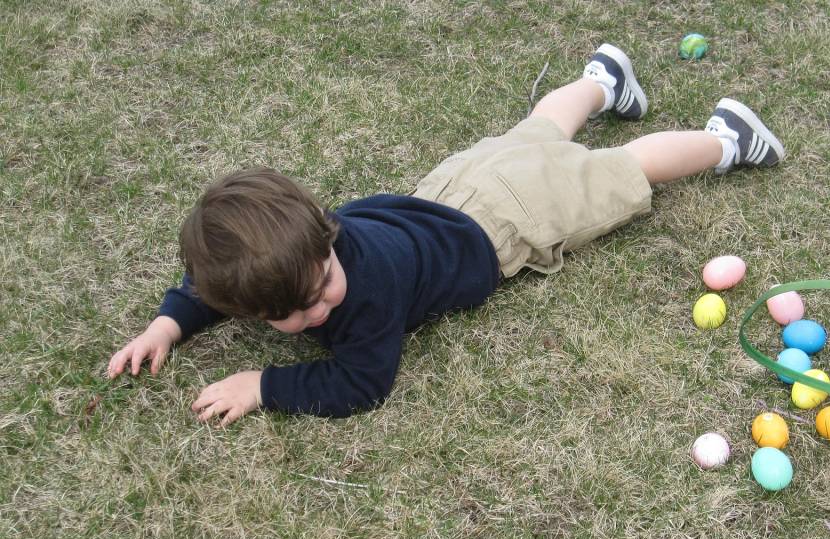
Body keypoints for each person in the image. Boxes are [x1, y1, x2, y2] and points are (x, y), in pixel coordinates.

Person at [106, 43, 784, 424]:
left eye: (320, 287)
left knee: (620, 171)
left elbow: (362, 384)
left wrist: (265, 385)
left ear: (325, 236)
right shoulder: (300, 249)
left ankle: (727, 141)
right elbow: (210, 287)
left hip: (506, 223)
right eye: (294, 313)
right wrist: (169, 325)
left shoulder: (363, 294)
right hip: (452, 189)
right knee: (538, 133)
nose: (321, 310)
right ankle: (603, 81)